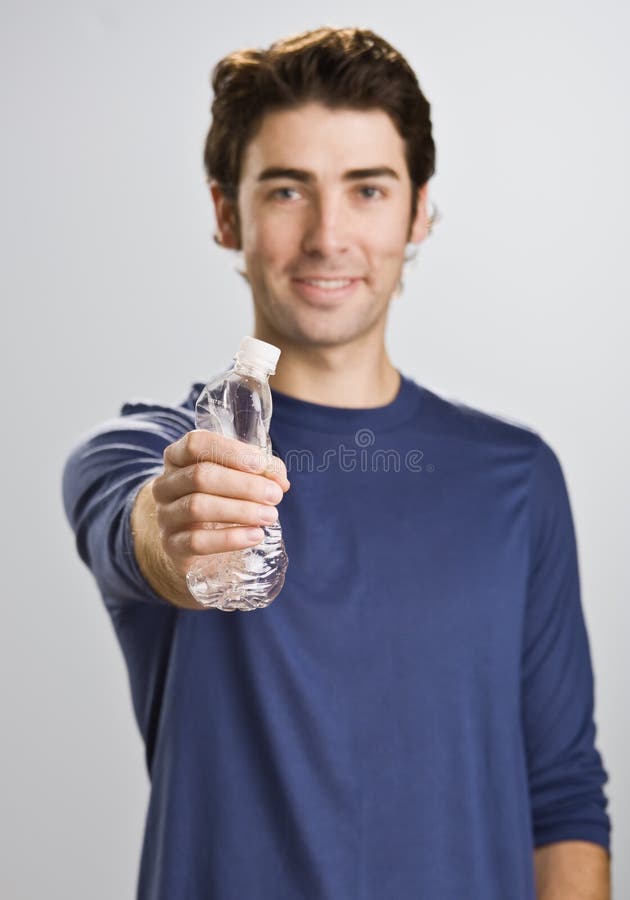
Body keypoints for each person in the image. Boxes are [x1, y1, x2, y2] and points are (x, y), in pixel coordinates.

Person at [62, 26, 611, 900]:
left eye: (367, 189)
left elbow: (565, 798)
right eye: (287, 190)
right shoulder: (150, 456)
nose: (328, 235)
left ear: (418, 209)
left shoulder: (519, 480)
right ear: (225, 213)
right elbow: (155, 534)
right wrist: (180, 527)